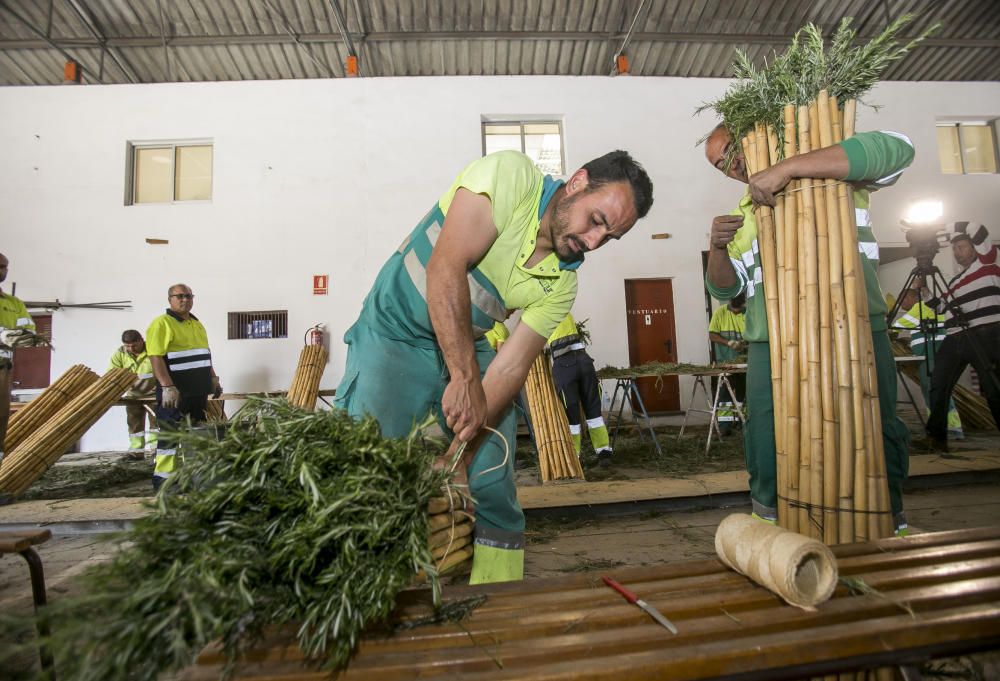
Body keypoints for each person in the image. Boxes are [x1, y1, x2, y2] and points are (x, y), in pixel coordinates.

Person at [335, 149, 653, 584]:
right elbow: (444, 267)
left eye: (609, 237)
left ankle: (498, 601)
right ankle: (363, 592)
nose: (594, 241)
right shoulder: (511, 177)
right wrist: (464, 378)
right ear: (577, 182)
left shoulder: (563, 282)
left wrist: (458, 459)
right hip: (393, 331)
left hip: (468, 340)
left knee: (489, 478)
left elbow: (509, 369)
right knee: (368, 471)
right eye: (596, 221)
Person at [704, 124, 914, 534]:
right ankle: (773, 526)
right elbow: (726, 289)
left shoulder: (830, 167)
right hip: (772, 339)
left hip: (852, 323)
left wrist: (789, 168)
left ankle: (886, 521)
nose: (730, 166)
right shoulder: (745, 213)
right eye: (719, 165)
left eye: (730, 151)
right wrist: (716, 247)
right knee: (767, 434)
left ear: (754, 135)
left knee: (875, 425)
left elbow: (899, 148)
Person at [918, 222, 1000, 449]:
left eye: (962, 247)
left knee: (994, 388)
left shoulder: (988, 262)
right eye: (955, 248)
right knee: (939, 385)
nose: (957, 252)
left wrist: (942, 226)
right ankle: (936, 438)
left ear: (975, 248)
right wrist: (924, 290)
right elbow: (940, 308)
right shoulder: (953, 282)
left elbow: (977, 227)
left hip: (985, 333)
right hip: (955, 337)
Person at [146, 284, 222, 491]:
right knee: (170, 434)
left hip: (197, 390)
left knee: (194, 431)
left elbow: (204, 353)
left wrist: (213, 378)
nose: (184, 300)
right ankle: (163, 480)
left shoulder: (196, 323)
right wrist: (167, 386)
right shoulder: (162, 323)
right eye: (179, 296)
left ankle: (193, 475)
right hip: (175, 391)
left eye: (188, 296)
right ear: (169, 299)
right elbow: (155, 356)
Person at [891, 299, 963, 439]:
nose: (903, 306)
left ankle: (946, 429)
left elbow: (897, 326)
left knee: (930, 389)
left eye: (903, 304)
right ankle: (949, 427)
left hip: (928, 354)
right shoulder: (941, 306)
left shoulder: (920, 307)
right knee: (941, 389)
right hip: (942, 352)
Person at [548, 313, 613, 466]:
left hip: (564, 365)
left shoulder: (542, 315)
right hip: (584, 361)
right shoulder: (565, 311)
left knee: (571, 415)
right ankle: (604, 452)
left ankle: (573, 456)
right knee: (593, 411)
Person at [0, 253, 36, 467]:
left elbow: (28, 330)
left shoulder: (14, 303)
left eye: (5, 267)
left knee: (1, 421)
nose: (3, 271)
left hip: (3, 368)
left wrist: (20, 335)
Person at [109, 329, 158, 458]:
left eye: (134, 345)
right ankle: (137, 451)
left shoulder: (153, 351)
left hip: (153, 394)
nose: (131, 348)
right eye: (128, 346)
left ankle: (156, 450)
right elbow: (113, 374)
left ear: (141, 340)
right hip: (133, 395)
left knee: (156, 423)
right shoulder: (120, 354)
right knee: (134, 423)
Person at [707, 294, 746, 435]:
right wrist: (728, 342)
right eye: (733, 309)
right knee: (724, 395)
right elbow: (712, 335)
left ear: (744, 303)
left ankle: (744, 424)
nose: (735, 312)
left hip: (745, 363)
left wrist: (743, 343)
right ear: (729, 302)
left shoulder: (749, 314)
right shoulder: (720, 312)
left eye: (738, 309)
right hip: (725, 363)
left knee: (745, 394)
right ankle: (725, 427)